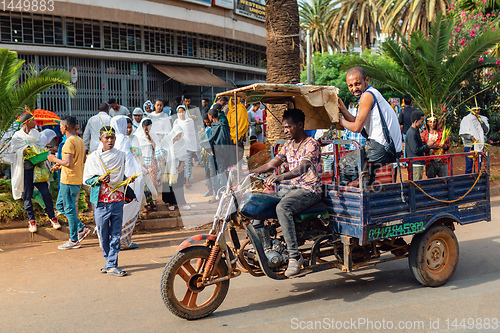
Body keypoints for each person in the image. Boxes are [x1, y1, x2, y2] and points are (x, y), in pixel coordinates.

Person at [250, 108, 322, 277]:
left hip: (309, 189)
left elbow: (302, 168)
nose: (285, 130)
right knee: (258, 202)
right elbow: (270, 165)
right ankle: (264, 246)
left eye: (289, 127)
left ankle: (294, 257)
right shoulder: (288, 145)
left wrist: (280, 177)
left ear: (300, 125)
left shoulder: (311, 144)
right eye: (284, 128)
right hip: (291, 189)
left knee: (283, 208)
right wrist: (247, 173)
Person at [83, 126, 135, 277]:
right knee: (103, 233)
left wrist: (128, 179)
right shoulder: (94, 158)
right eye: (107, 138)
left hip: (117, 199)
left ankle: (112, 263)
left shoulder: (120, 155)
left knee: (116, 233)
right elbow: (87, 179)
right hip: (101, 202)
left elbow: (120, 175)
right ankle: (109, 262)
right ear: (100, 139)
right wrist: (99, 179)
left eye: (112, 137)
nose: (110, 140)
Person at [338, 66, 402, 185]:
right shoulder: (373, 94)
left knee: (343, 164)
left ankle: (340, 198)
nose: (354, 89)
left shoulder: (367, 96)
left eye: (357, 84)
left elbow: (357, 128)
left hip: (382, 148)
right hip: (389, 148)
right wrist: (342, 108)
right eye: (350, 86)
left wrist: (339, 120)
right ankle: (367, 192)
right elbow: (356, 121)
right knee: (366, 172)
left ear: (366, 80)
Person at [8, 113, 60, 233]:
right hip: (25, 171)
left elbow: (40, 148)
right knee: (27, 195)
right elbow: (13, 152)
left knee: (46, 193)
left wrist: (44, 152)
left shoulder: (36, 134)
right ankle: (32, 221)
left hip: (38, 169)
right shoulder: (17, 136)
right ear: (27, 122)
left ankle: (52, 218)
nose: (35, 122)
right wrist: (23, 151)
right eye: (33, 120)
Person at [47, 116, 90, 249]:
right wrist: (60, 166)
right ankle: (80, 228)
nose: (60, 128)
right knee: (60, 206)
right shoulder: (80, 141)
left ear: (65, 127)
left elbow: (69, 163)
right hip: (74, 179)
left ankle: (73, 240)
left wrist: (54, 159)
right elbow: (81, 160)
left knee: (69, 209)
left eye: (60, 126)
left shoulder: (69, 143)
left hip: (69, 180)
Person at [107, 116, 144, 250]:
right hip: (127, 179)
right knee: (128, 209)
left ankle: (113, 241)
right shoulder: (123, 139)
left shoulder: (108, 140)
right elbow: (127, 160)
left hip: (112, 181)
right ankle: (124, 241)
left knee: (115, 212)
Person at [160, 121, 190, 211]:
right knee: (169, 185)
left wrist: (181, 166)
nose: (178, 137)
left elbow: (184, 155)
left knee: (179, 186)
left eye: (180, 135)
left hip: (178, 167)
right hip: (169, 167)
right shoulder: (167, 141)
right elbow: (163, 152)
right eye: (177, 135)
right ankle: (170, 203)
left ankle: (181, 203)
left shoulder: (183, 142)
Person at [134, 118, 160, 213]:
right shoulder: (136, 136)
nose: (147, 131)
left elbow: (157, 147)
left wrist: (150, 140)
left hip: (151, 162)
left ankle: (152, 202)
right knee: (143, 185)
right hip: (140, 162)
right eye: (145, 129)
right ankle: (145, 204)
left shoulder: (153, 135)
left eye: (149, 128)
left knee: (152, 184)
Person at [405, 111, 438, 181]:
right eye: (422, 121)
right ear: (416, 121)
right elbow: (415, 149)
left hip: (416, 163)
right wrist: (427, 145)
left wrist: (428, 145)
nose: (423, 123)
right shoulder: (412, 133)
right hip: (415, 164)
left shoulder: (415, 131)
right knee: (416, 184)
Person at [208, 108, 232, 199]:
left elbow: (222, 141)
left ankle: (224, 194)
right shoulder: (214, 125)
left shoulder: (221, 126)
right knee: (214, 173)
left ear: (211, 116)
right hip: (214, 153)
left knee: (222, 173)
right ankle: (217, 193)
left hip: (220, 153)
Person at [459, 106, 489, 174]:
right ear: (471, 110)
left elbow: (486, 130)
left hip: (479, 145)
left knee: (478, 164)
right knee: (469, 164)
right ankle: (468, 180)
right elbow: (462, 133)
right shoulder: (466, 119)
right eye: (474, 110)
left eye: (478, 110)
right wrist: (470, 137)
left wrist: (480, 121)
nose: (476, 111)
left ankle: (477, 179)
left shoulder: (483, 118)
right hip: (469, 145)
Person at [174, 105, 198, 188]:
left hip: (188, 146)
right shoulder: (176, 122)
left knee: (187, 163)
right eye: (179, 112)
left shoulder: (190, 121)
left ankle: (187, 181)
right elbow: (174, 133)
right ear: (177, 113)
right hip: (179, 146)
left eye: (183, 111)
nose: (181, 113)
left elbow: (191, 134)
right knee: (180, 164)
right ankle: (181, 179)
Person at [227, 97, 249, 163]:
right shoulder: (230, 109)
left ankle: (239, 165)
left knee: (239, 149)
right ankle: (234, 165)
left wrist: (240, 132)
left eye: (235, 99)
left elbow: (243, 121)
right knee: (232, 150)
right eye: (232, 99)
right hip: (231, 133)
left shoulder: (241, 108)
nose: (234, 101)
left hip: (239, 132)